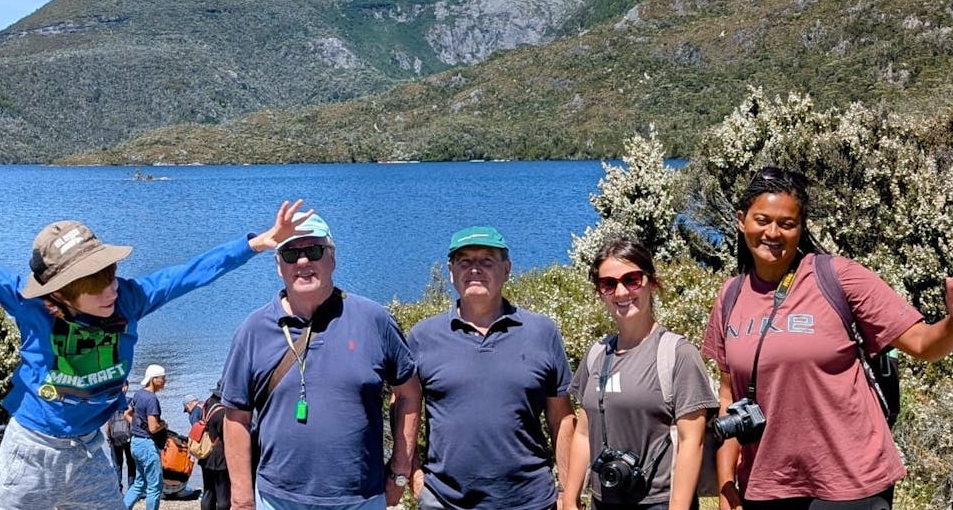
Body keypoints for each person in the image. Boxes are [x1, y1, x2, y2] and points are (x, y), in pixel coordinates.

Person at [0, 175, 316, 510]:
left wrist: (254, 244)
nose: (112, 288)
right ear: (64, 290)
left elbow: (187, 276)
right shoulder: (31, 306)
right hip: (32, 448)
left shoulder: (129, 299)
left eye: (110, 274)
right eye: (96, 283)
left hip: (90, 448)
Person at [703, 167, 953, 510]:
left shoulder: (837, 277)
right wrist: (726, 487)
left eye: (787, 224)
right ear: (741, 221)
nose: (773, 233)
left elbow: (922, 343)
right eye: (762, 220)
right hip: (767, 485)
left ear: (801, 227)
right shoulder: (731, 296)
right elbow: (728, 397)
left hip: (850, 482)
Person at [219, 213, 421, 510]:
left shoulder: (374, 320)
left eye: (313, 250)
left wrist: (401, 470)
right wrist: (241, 497)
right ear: (278, 266)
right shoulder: (253, 330)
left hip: (360, 500)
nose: (302, 262)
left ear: (332, 258)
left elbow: (409, 393)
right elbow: (236, 417)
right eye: (290, 253)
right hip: (277, 500)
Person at [407, 226, 574, 510]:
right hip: (445, 501)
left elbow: (562, 419)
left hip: (530, 501)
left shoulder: (541, 332)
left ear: (506, 269)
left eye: (486, 260)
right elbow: (406, 409)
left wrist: (568, 493)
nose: (475, 269)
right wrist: (414, 476)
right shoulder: (423, 336)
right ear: (451, 272)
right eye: (465, 261)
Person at [563, 238, 717, 510]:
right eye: (608, 284)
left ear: (652, 283)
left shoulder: (676, 354)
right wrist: (570, 498)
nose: (621, 292)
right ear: (600, 292)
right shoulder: (597, 354)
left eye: (631, 280)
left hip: (658, 501)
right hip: (604, 498)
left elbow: (691, 441)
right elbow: (584, 433)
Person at [125, 363, 170, 510]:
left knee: (139, 483)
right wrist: (164, 424)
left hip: (135, 443)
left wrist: (137, 428)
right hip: (147, 445)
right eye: (162, 378)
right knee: (155, 486)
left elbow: (127, 414)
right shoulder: (151, 399)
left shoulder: (138, 394)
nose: (164, 381)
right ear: (153, 379)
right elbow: (153, 427)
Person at [196, 388, 231, 510]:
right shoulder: (222, 411)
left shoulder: (207, 404)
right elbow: (227, 434)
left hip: (206, 454)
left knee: (208, 492)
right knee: (223, 496)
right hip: (220, 458)